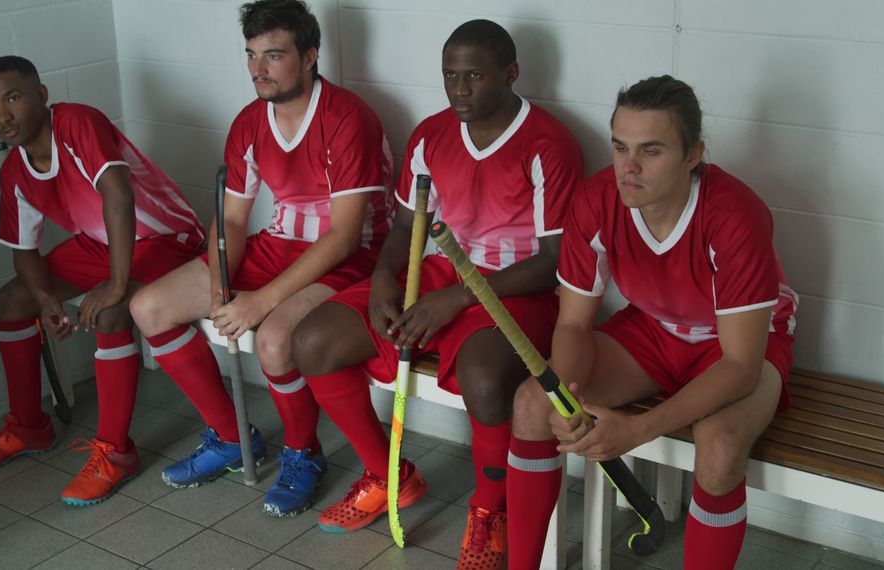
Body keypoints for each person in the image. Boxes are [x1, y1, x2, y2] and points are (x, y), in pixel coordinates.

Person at [290, 19, 583, 569]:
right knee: (312, 339)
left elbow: (555, 262)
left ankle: (488, 511)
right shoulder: (431, 134)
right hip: (438, 277)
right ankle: (387, 474)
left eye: (475, 75)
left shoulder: (548, 144)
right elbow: (406, 227)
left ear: (511, 74)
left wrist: (458, 300)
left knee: (487, 378)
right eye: (451, 76)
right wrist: (381, 279)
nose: (461, 89)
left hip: (513, 289)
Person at [505, 75, 799, 569]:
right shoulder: (595, 199)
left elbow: (741, 365)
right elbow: (574, 325)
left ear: (693, 155)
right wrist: (569, 393)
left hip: (738, 346)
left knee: (721, 449)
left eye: (652, 150)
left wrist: (636, 430)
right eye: (620, 146)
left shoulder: (735, 214)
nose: (629, 167)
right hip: (654, 329)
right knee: (534, 403)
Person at [128, 0, 392, 517]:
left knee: (274, 339)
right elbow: (229, 222)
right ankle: (230, 438)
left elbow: (343, 236)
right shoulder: (250, 121)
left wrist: (260, 302)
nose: (258, 70)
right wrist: (218, 287)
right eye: (251, 56)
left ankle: (303, 452)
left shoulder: (347, 117)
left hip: (349, 257)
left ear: (311, 55)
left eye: (274, 56)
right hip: (279, 244)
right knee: (150, 307)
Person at [0, 55, 206, 506]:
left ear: (40, 95)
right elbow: (24, 251)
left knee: (114, 310)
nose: (2, 115)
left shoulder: (75, 122)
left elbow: (118, 192)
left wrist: (116, 284)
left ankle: (116, 453)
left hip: (165, 235)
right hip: (99, 242)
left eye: (12, 98)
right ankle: (29, 426)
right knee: (14, 299)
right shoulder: (13, 170)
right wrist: (45, 299)